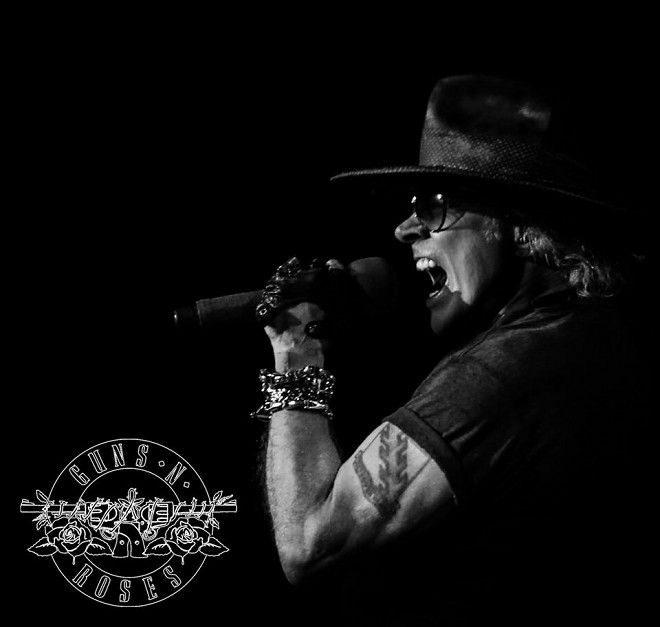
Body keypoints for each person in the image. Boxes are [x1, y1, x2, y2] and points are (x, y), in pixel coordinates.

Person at [250, 74, 651, 625]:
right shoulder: (600, 335)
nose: (404, 228)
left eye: (435, 204)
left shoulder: (493, 380)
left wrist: (297, 352)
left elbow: (309, 542)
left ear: (517, 222)